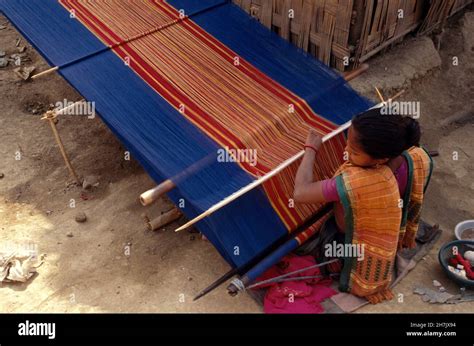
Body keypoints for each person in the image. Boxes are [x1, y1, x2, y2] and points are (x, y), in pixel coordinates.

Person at [293, 106, 433, 303]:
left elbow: (299, 193)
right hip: (387, 229)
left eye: (354, 151)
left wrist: (311, 150)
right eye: (347, 141)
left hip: (352, 243)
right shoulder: (414, 158)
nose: (345, 150)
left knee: (311, 246)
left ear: (381, 159)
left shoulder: (358, 182)